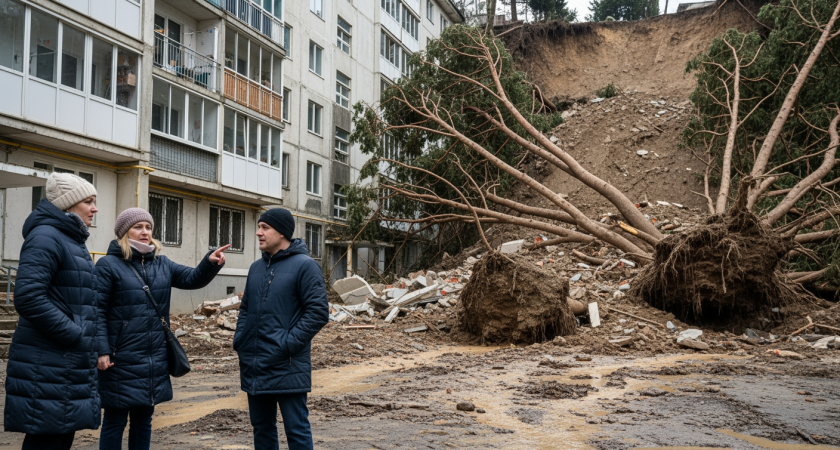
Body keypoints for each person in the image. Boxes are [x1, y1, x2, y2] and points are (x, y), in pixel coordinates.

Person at [95, 208, 229, 450]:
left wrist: (209, 262)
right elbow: (96, 311)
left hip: (153, 356)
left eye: (148, 227)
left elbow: (192, 278)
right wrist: (101, 350)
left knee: (144, 420)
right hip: (120, 357)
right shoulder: (108, 265)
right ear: (125, 232)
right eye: (138, 227)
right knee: (114, 420)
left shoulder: (162, 263)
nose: (145, 232)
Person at [4, 172, 100, 450]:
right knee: (46, 438)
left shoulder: (70, 239)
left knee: (59, 434)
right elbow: (28, 297)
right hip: (48, 361)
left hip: (62, 361)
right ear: (69, 205)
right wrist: (75, 334)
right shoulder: (47, 237)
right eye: (89, 202)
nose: (95, 208)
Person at [233, 208, 329, 450]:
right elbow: (245, 309)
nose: (258, 233)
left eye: (265, 227)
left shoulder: (305, 266)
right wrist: (241, 340)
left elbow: (318, 313)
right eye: (258, 227)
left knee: (296, 430)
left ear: (283, 233)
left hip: (287, 364)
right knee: (262, 429)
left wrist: (286, 345)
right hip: (255, 362)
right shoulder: (256, 268)